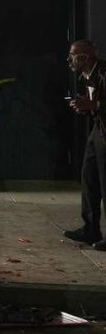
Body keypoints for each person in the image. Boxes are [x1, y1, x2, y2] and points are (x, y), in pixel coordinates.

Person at [62, 39, 106, 250]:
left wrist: (93, 104)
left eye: (73, 55)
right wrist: (86, 107)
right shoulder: (86, 75)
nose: (70, 59)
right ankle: (91, 229)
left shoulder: (104, 72)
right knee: (89, 178)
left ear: (85, 57)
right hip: (98, 130)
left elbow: (100, 102)